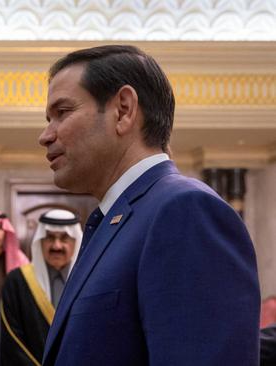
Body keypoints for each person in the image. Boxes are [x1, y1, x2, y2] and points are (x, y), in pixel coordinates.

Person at [39, 45, 259, 365]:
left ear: (124, 110)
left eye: (62, 112)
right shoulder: (114, 219)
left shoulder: (184, 211)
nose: (45, 135)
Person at [0, 209, 82, 366]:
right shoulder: (17, 281)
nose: (56, 246)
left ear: (76, 241)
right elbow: (12, 341)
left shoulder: (88, 280)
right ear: (40, 241)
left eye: (64, 238)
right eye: (49, 238)